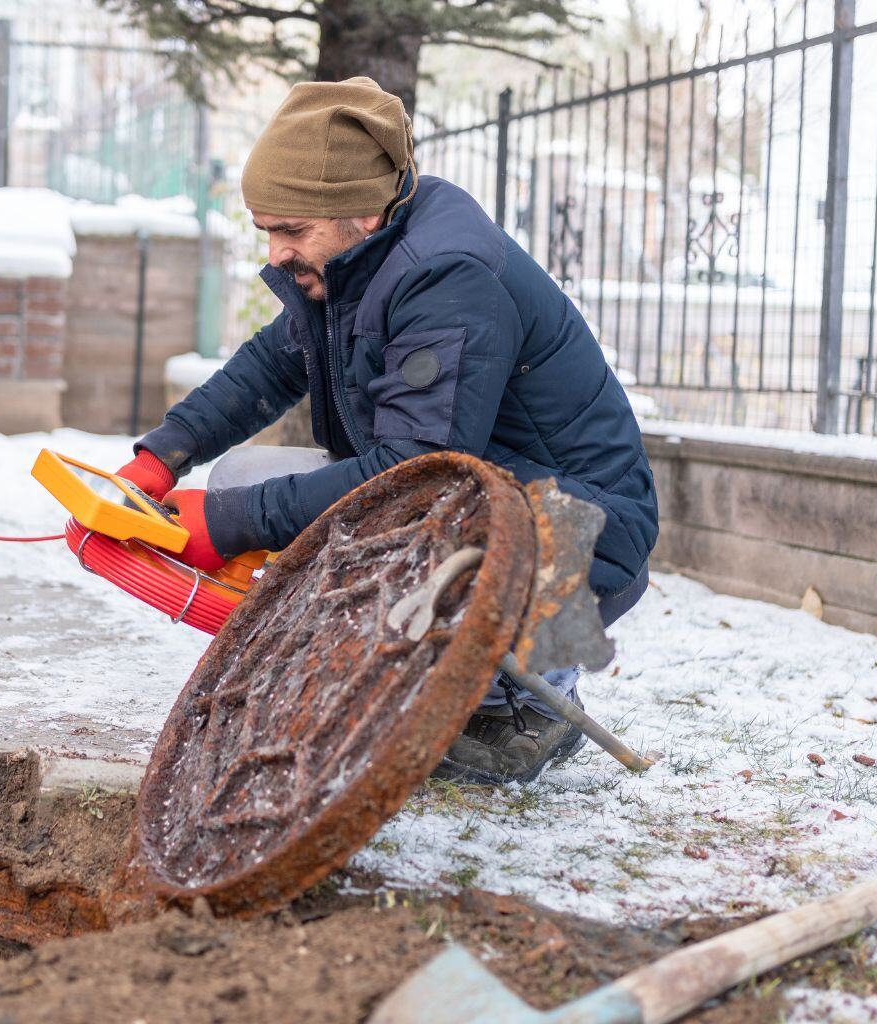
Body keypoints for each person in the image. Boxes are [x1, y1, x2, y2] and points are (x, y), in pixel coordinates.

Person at [114, 77, 658, 785]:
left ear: (361, 212)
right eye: (267, 231)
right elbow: (267, 370)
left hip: (581, 534)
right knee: (240, 480)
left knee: (263, 510)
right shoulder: (349, 263)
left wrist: (231, 523)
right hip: (481, 494)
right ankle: (443, 679)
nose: (275, 252)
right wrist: (163, 455)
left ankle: (525, 703)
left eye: (290, 230)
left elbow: (416, 469)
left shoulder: (446, 277)